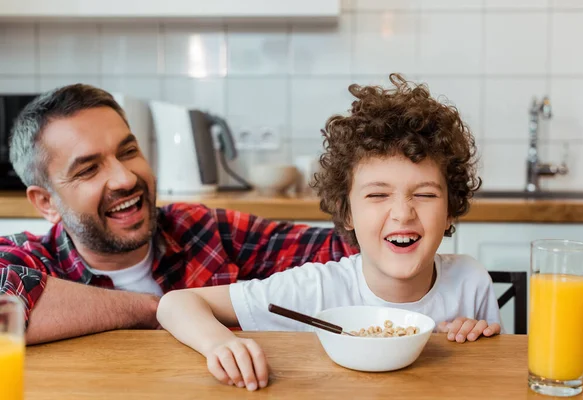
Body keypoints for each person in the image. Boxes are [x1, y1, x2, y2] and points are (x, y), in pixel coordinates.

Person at [156, 73, 503, 392]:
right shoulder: (315, 290)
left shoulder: (470, 282)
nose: (402, 213)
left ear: (450, 210)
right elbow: (176, 303)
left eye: (425, 194)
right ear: (347, 211)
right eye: (378, 195)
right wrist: (220, 342)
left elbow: (488, 374)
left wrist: (475, 336)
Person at [0, 84, 356, 345]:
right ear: (46, 202)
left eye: (128, 152)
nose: (125, 178)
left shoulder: (203, 230)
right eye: (89, 169)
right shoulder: (30, 259)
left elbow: (343, 250)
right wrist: (167, 308)